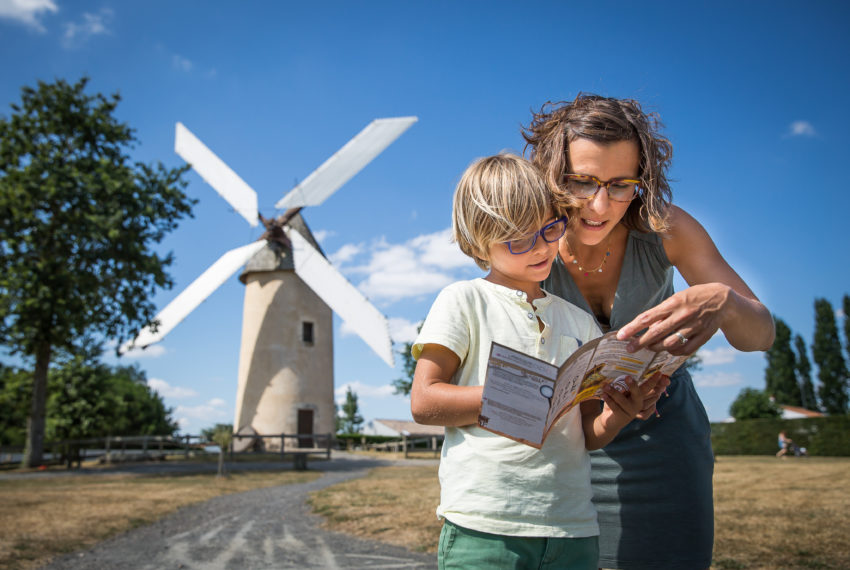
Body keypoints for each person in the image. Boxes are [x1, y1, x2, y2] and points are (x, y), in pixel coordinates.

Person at [523, 94, 775, 570]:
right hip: (568, 441)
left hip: (664, 437)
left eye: (622, 185)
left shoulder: (667, 228)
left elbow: (759, 336)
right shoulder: (528, 245)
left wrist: (724, 302)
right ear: (552, 174)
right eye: (583, 182)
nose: (601, 205)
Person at [410, 153, 660, 569]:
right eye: (520, 239)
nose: (542, 247)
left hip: (572, 527)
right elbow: (424, 401)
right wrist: (525, 395)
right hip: (485, 525)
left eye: (549, 229)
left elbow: (587, 432)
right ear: (478, 241)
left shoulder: (579, 320)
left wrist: (618, 415)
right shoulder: (464, 300)